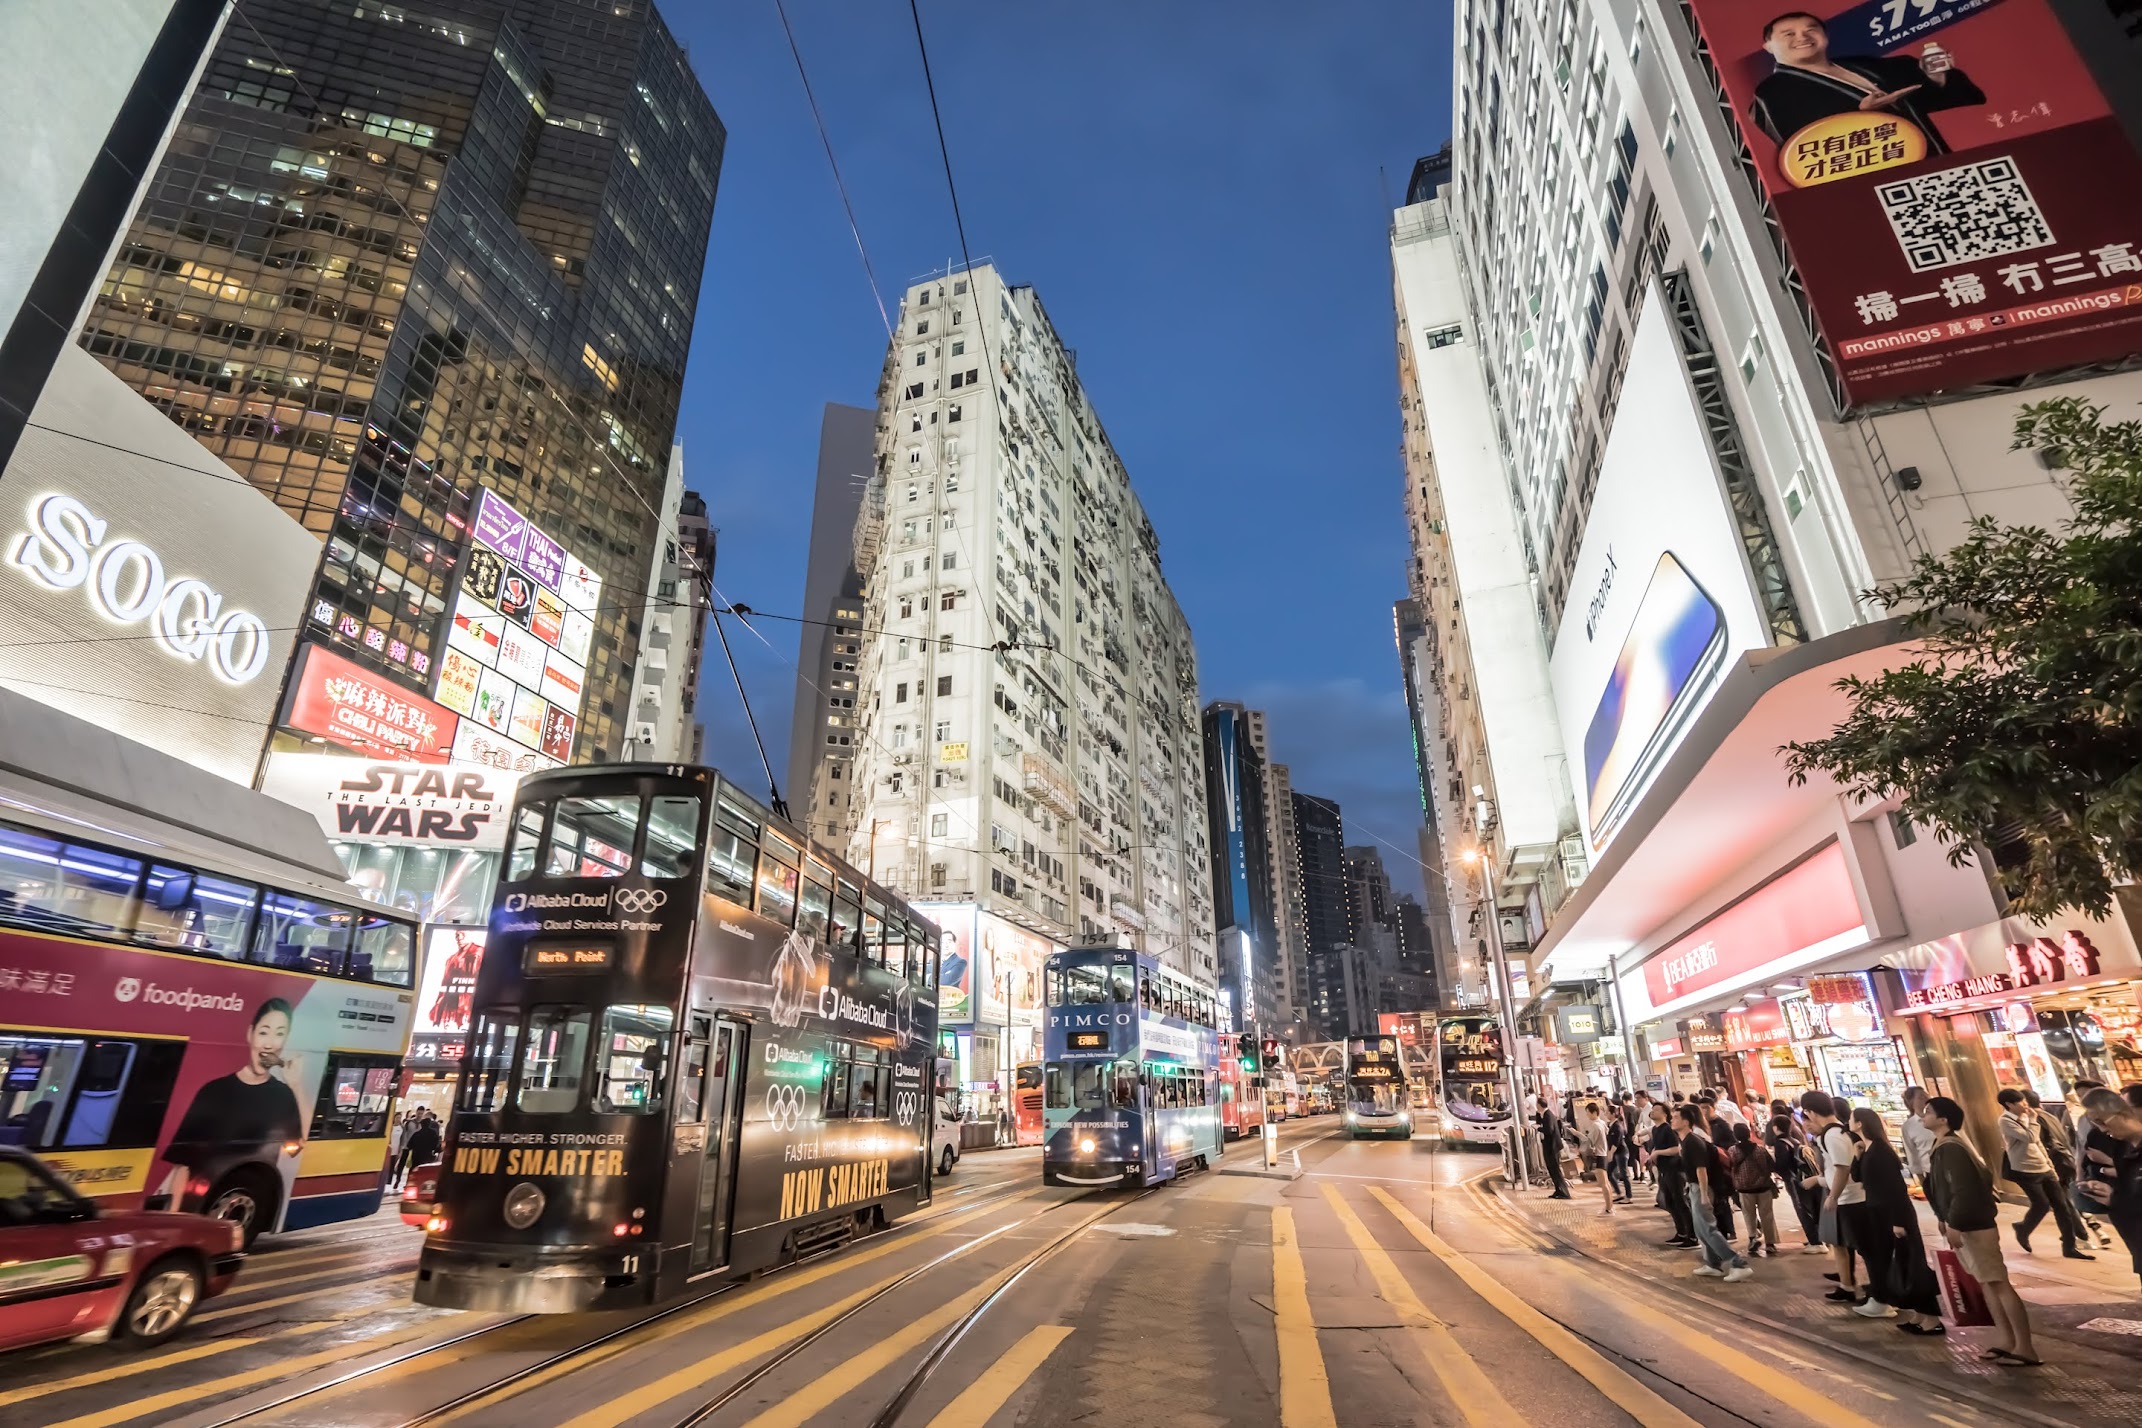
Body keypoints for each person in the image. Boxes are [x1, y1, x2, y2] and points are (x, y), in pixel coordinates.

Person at [1748, 10, 1986, 156]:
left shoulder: (1865, 64)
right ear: (1768, 47)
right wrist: (1861, 115)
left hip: (1934, 155)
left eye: (1812, 29)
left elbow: (1934, 101)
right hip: (1876, 174)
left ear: (1825, 36)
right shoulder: (1771, 92)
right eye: (1788, 34)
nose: (1803, 37)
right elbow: (1800, 150)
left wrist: (1935, 76)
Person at [1924, 1095, 2039, 1365]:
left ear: (1943, 1119)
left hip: (1974, 1225)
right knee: (1987, 1282)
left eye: (1928, 1112)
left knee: (1998, 1282)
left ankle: (2025, 1347)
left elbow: (1962, 1189)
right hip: (1967, 1222)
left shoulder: (1952, 1147)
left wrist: (1953, 1221)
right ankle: (2006, 1340)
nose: (1923, 1116)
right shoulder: (1944, 1144)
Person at [1851, 1107, 1944, 1329]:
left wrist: (1898, 1222)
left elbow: (1894, 1190)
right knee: (1902, 1266)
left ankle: (1931, 1319)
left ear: (1860, 1124)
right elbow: (1858, 1178)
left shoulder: (1881, 1152)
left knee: (1913, 1266)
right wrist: (1858, 1155)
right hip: (1881, 1215)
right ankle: (1918, 1316)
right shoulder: (1870, 1149)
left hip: (1895, 1215)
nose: (1849, 1122)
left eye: (1851, 1119)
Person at [1998, 1088, 2093, 1259]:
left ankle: (2069, 1247)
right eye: (2021, 1102)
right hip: (2024, 1169)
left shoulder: (2027, 1117)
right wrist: (2033, 1119)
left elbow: (2038, 1144)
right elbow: (2030, 1137)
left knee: (2062, 1206)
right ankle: (2023, 1229)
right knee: (2041, 1204)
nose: (2025, 1105)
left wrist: (2049, 1165)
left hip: (2043, 1167)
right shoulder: (2005, 1121)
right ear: (2009, 1105)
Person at [1675, 1104, 1753, 1282]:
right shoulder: (1686, 1140)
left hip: (1701, 1188)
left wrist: (1703, 1194)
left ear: (1686, 1122)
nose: (1672, 1120)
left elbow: (1701, 1169)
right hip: (1695, 1187)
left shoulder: (1693, 1141)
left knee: (1708, 1229)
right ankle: (1712, 1264)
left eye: (1676, 1117)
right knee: (1701, 1230)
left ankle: (1738, 1264)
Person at [1801, 1090, 1864, 1304]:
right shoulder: (1836, 1132)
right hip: (1847, 1196)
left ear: (1810, 1112)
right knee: (1840, 1244)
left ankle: (1876, 1294)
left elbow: (1842, 1169)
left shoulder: (1832, 1135)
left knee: (1860, 1246)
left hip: (1849, 1198)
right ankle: (1847, 1285)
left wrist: (1833, 1196)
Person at [2076, 1087, 2142, 1287]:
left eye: (2102, 1121)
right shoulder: (2123, 1146)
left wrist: (2116, 1199)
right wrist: (2110, 1192)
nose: (2103, 1129)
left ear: (2124, 1112)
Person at [1767, 1115, 1823, 1250]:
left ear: (1775, 1127)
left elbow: (1782, 1165)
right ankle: (1819, 1239)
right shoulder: (1794, 1140)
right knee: (1811, 1208)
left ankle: (1815, 1243)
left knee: (1802, 1210)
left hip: (1793, 1181)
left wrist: (1772, 1165)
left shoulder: (1780, 1144)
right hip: (1805, 1178)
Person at [1648, 1103, 1697, 1246]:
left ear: (1664, 1114)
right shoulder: (1655, 1130)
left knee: (1680, 1201)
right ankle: (1681, 1232)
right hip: (1663, 1170)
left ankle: (1692, 1236)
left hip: (1674, 1169)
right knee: (1668, 1201)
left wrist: (1657, 1152)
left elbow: (1676, 1149)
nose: (1652, 1112)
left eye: (1656, 1110)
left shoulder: (1668, 1129)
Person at [1729, 1122, 1781, 1257]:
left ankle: (1753, 1238)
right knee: (1767, 1215)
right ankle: (1770, 1244)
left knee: (1748, 1214)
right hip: (1763, 1187)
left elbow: (1730, 1168)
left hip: (1744, 1189)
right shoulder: (1760, 1149)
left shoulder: (1732, 1151)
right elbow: (1771, 1166)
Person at [1900, 1086, 1937, 1193]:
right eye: (1921, 1097)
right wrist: (1922, 1181)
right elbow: (1912, 1154)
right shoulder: (1909, 1126)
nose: (1926, 1099)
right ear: (1911, 1103)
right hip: (1931, 1171)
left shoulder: (1942, 1116)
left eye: (1926, 1095)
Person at [1581, 1101, 1615, 1214]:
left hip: (1600, 1155)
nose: (1587, 1115)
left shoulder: (1596, 1125)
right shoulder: (1602, 1123)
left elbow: (1590, 1141)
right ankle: (1609, 1206)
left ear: (1594, 1112)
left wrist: (1576, 1133)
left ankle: (1608, 1208)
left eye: (1588, 1113)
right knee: (1606, 1182)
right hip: (1604, 1154)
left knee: (1603, 1183)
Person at [1538, 1095, 1573, 1199]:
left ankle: (1564, 1193)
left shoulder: (1548, 1115)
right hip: (1549, 1147)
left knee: (1556, 1170)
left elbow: (1549, 1130)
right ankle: (1558, 1190)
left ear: (1539, 1105)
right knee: (1552, 1169)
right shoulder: (1544, 1115)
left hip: (1552, 1147)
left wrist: (1539, 1128)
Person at [1606, 1101, 1635, 1204]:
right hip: (1615, 1153)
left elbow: (1616, 1142)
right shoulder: (1611, 1125)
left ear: (1613, 1114)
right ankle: (1619, 1193)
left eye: (1607, 1112)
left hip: (1621, 1153)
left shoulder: (1617, 1126)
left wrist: (1610, 1153)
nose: (1606, 1114)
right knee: (1609, 1172)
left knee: (1624, 1174)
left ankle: (1629, 1196)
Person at [403, 1111, 442, 1181]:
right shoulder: (433, 1134)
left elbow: (409, 1145)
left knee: (413, 1170)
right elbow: (437, 1146)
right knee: (425, 1172)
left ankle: (410, 1182)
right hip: (428, 1156)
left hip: (416, 1156)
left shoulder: (417, 1134)